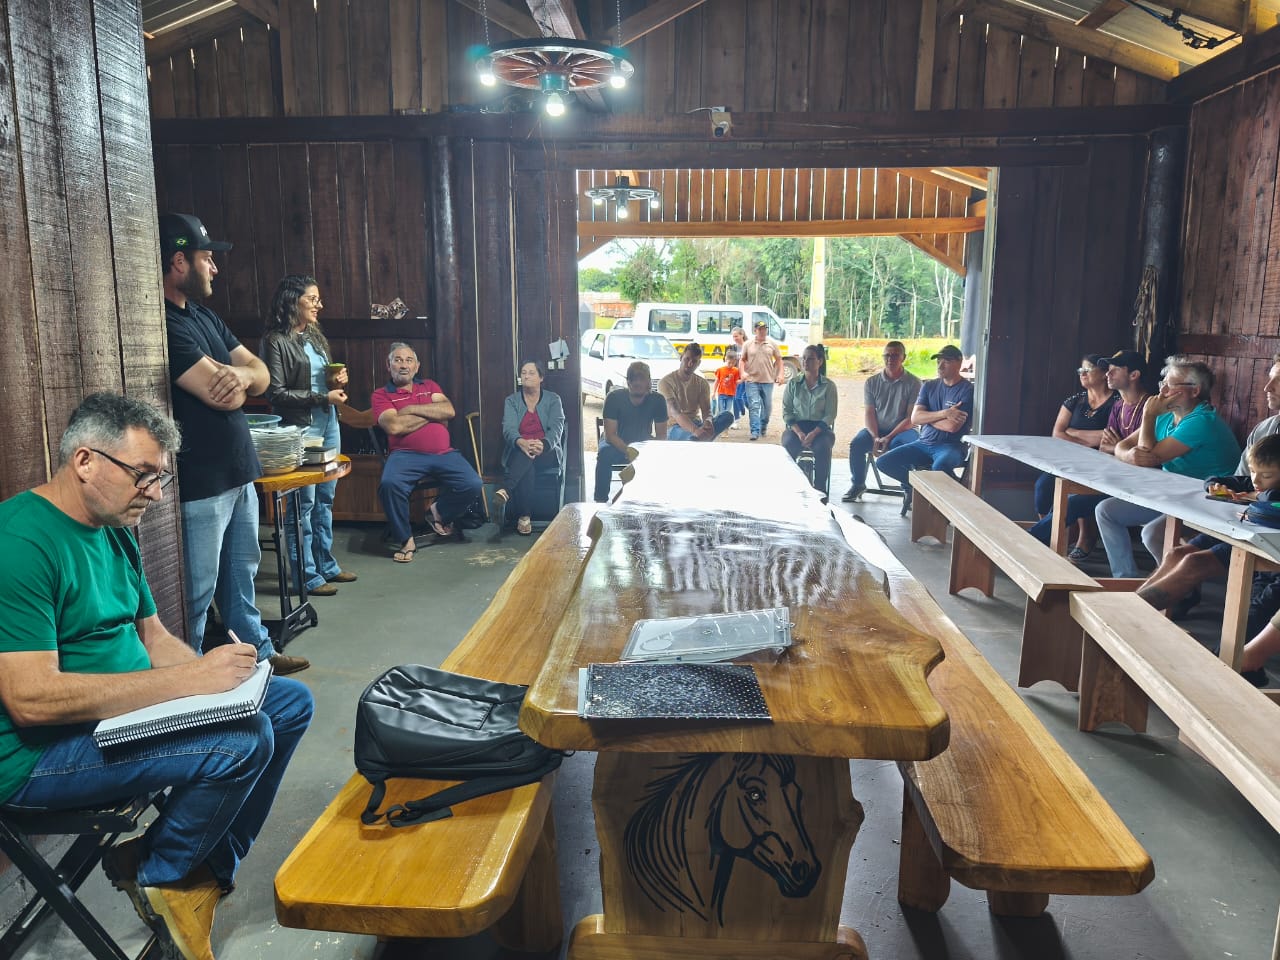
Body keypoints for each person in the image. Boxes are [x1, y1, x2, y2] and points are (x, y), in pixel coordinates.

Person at [0, 393, 314, 960]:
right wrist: (191, 684)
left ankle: (199, 868)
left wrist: (218, 680)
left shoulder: (112, 524)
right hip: (39, 755)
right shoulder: (20, 544)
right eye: (143, 475)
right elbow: (32, 701)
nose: (156, 493)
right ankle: (163, 875)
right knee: (243, 742)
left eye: (160, 478)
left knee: (288, 703)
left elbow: (153, 639)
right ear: (85, 461)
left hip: (114, 720)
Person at [161, 213, 309, 676]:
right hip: (202, 480)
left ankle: (257, 655)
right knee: (197, 592)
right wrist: (244, 380)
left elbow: (260, 375)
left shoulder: (204, 316)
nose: (215, 268)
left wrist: (243, 376)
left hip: (238, 472)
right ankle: (189, 677)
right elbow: (219, 396)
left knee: (241, 578)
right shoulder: (165, 323)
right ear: (180, 261)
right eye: (207, 258)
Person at [1136, 355, 1280, 616]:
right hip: (1248, 520)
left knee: (1193, 562)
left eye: (1278, 381)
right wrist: (1222, 488)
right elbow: (1242, 479)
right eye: (1270, 378)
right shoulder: (1265, 429)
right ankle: (1129, 609)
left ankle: (1128, 615)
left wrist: (1256, 495)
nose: (1267, 387)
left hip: (1271, 530)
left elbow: (1262, 494)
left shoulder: (1203, 420)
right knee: (1176, 554)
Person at [1094, 356, 1241, 579]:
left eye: (1170, 385)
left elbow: (1148, 457)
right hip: (1172, 493)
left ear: (1195, 391)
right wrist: (1127, 454)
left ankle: (1177, 587)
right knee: (1106, 511)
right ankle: (1126, 578)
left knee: (1152, 534)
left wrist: (1148, 414)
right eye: (1163, 383)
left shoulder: (1202, 420)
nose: (1162, 391)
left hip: (1209, 499)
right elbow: (1123, 446)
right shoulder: (1167, 415)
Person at [260, 275, 356, 597]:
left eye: (318, 299)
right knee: (303, 504)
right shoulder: (275, 340)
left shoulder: (315, 336)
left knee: (325, 498)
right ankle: (307, 576)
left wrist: (336, 381)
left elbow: (319, 380)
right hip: (301, 429)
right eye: (312, 299)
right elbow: (276, 393)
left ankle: (326, 564)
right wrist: (322, 397)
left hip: (329, 422)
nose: (319, 305)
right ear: (292, 301)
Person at [1027, 349, 1150, 553]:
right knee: (1050, 487)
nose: (1108, 373)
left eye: (1115, 370)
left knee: (1072, 501)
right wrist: (1119, 448)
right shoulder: (1119, 406)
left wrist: (1116, 447)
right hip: (1110, 475)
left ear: (1134, 375)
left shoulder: (1149, 407)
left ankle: (1030, 543)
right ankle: (1043, 544)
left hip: (1134, 483)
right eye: (1107, 369)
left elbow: (1140, 454)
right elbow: (1104, 447)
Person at [371, 342, 483, 562]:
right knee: (389, 485)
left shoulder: (430, 385)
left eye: (409, 360)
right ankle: (406, 539)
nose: (404, 365)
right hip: (404, 455)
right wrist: (432, 415)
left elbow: (448, 410)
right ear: (388, 365)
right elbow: (394, 427)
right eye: (398, 360)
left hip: (444, 453)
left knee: (473, 484)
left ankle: (438, 512)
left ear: (417, 366)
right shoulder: (381, 394)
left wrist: (411, 409)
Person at [875, 344, 974, 494]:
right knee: (884, 462)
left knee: (939, 467)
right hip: (923, 443)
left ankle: (942, 496)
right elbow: (915, 418)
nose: (940, 366)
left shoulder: (967, 390)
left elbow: (951, 427)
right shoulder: (929, 386)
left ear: (959, 363)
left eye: (946, 361)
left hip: (951, 446)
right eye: (938, 361)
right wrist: (945, 413)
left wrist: (927, 417)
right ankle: (920, 491)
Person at [843, 340, 921, 502]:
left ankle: (909, 488)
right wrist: (875, 437)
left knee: (903, 447)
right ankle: (858, 483)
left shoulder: (914, 383)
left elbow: (910, 418)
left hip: (905, 430)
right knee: (857, 444)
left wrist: (889, 437)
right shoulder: (872, 382)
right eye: (887, 355)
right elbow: (869, 413)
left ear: (903, 358)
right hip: (878, 429)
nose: (890, 359)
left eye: (895, 355)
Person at [496, 361, 565, 536]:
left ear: (541, 377)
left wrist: (544, 443)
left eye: (531, 373)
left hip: (547, 451)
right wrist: (521, 442)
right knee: (527, 458)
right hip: (520, 449)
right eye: (523, 372)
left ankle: (507, 491)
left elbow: (557, 427)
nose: (526, 376)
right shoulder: (511, 401)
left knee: (528, 455)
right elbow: (508, 428)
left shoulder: (553, 399)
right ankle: (524, 519)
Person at [594, 361, 668, 502]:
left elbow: (662, 436)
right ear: (628, 382)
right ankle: (600, 500)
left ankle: (653, 499)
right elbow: (610, 435)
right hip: (615, 442)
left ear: (649, 382)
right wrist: (629, 451)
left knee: (662, 458)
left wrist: (646, 452)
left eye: (642, 379)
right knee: (604, 454)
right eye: (633, 379)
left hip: (642, 442)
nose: (637, 383)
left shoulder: (658, 400)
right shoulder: (614, 398)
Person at [781, 345, 838, 493]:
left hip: (820, 429)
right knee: (788, 445)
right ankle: (790, 486)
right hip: (797, 428)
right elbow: (787, 412)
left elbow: (830, 414)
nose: (805, 362)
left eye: (811, 359)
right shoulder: (793, 384)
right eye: (804, 358)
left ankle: (820, 489)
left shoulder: (829, 386)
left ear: (820, 361)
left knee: (822, 447)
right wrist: (799, 432)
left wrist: (814, 433)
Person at [658, 342, 734, 442]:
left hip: (697, 423)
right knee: (691, 436)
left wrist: (708, 421)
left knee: (727, 416)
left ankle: (700, 438)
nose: (690, 364)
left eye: (694, 361)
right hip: (675, 426)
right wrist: (695, 430)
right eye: (687, 359)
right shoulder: (666, 382)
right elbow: (676, 412)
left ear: (698, 363)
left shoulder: (702, 383)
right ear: (681, 358)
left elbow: (706, 410)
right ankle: (700, 438)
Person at [739, 319, 784, 440]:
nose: (762, 331)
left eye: (764, 329)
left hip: (768, 381)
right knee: (754, 406)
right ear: (755, 330)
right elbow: (742, 360)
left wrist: (780, 374)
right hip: (751, 380)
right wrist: (742, 372)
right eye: (760, 329)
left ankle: (763, 425)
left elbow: (779, 360)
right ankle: (755, 431)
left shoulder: (772, 344)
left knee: (767, 408)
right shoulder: (748, 344)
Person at [714, 346, 742, 421]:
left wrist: (742, 380)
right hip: (721, 393)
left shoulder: (736, 371)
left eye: (733, 363)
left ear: (735, 362)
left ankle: (724, 424)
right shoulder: (720, 370)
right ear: (726, 359)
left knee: (727, 411)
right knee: (721, 410)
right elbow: (716, 381)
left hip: (731, 394)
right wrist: (714, 392)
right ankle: (720, 423)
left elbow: (737, 381)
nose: (731, 365)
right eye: (729, 362)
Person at [730, 327, 749, 422]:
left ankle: (754, 412)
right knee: (736, 397)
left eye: (736, 336)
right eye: (733, 336)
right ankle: (736, 419)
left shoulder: (748, 346)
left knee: (744, 397)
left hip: (747, 375)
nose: (735, 338)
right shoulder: (733, 347)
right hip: (736, 375)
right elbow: (729, 360)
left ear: (742, 335)